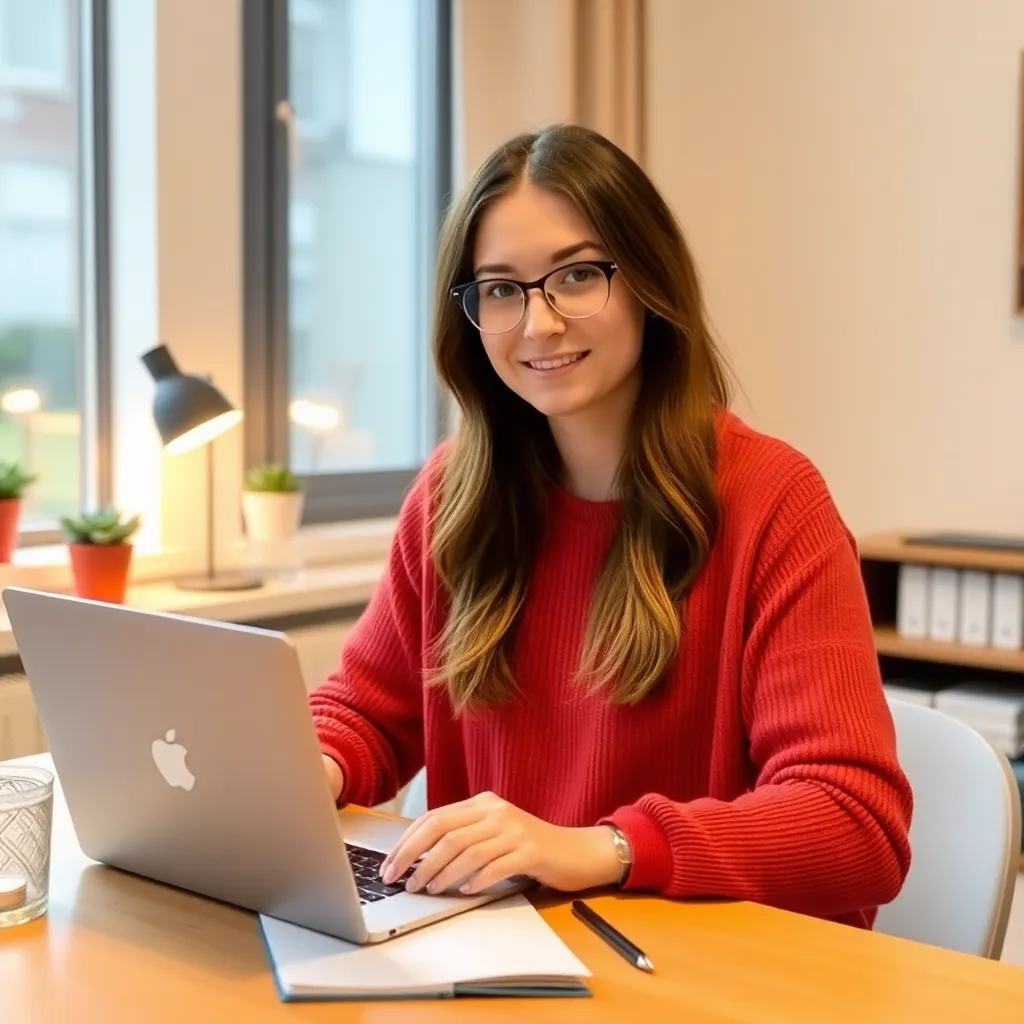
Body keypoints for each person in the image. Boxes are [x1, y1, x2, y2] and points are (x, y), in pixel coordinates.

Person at [310, 123, 912, 930]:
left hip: (707, 975)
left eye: (578, 275)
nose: (540, 324)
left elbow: (854, 825)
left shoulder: (774, 502)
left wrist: (599, 847)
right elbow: (366, 711)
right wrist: (308, 769)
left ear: (649, 283)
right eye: (501, 288)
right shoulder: (453, 495)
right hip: (501, 954)